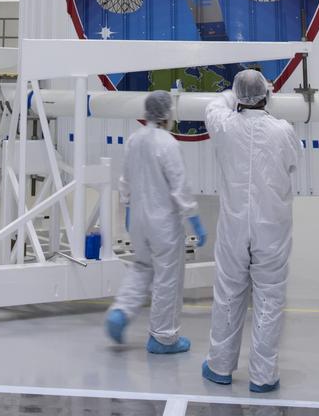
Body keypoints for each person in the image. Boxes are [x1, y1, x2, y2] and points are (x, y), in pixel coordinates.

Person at [201, 69, 300, 393]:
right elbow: (291, 164)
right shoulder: (283, 130)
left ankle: (219, 366)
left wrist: (233, 92)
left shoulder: (225, 126)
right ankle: (263, 375)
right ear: (266, 95)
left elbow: (215, 106)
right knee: (270, 298)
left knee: (229, 294)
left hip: (233, 225)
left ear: (239, 96)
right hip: (271, 226)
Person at [105, 89, 207, 354]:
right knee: (167, 277)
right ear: (167, 114)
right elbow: (179, 185)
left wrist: (127, 207)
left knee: (141, 267)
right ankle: (163, 338)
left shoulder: (134, 140)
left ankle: (120, 312)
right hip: (163, 223)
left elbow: (124, 179)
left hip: (137, 219)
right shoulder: (167, 143)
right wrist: (193, 217)